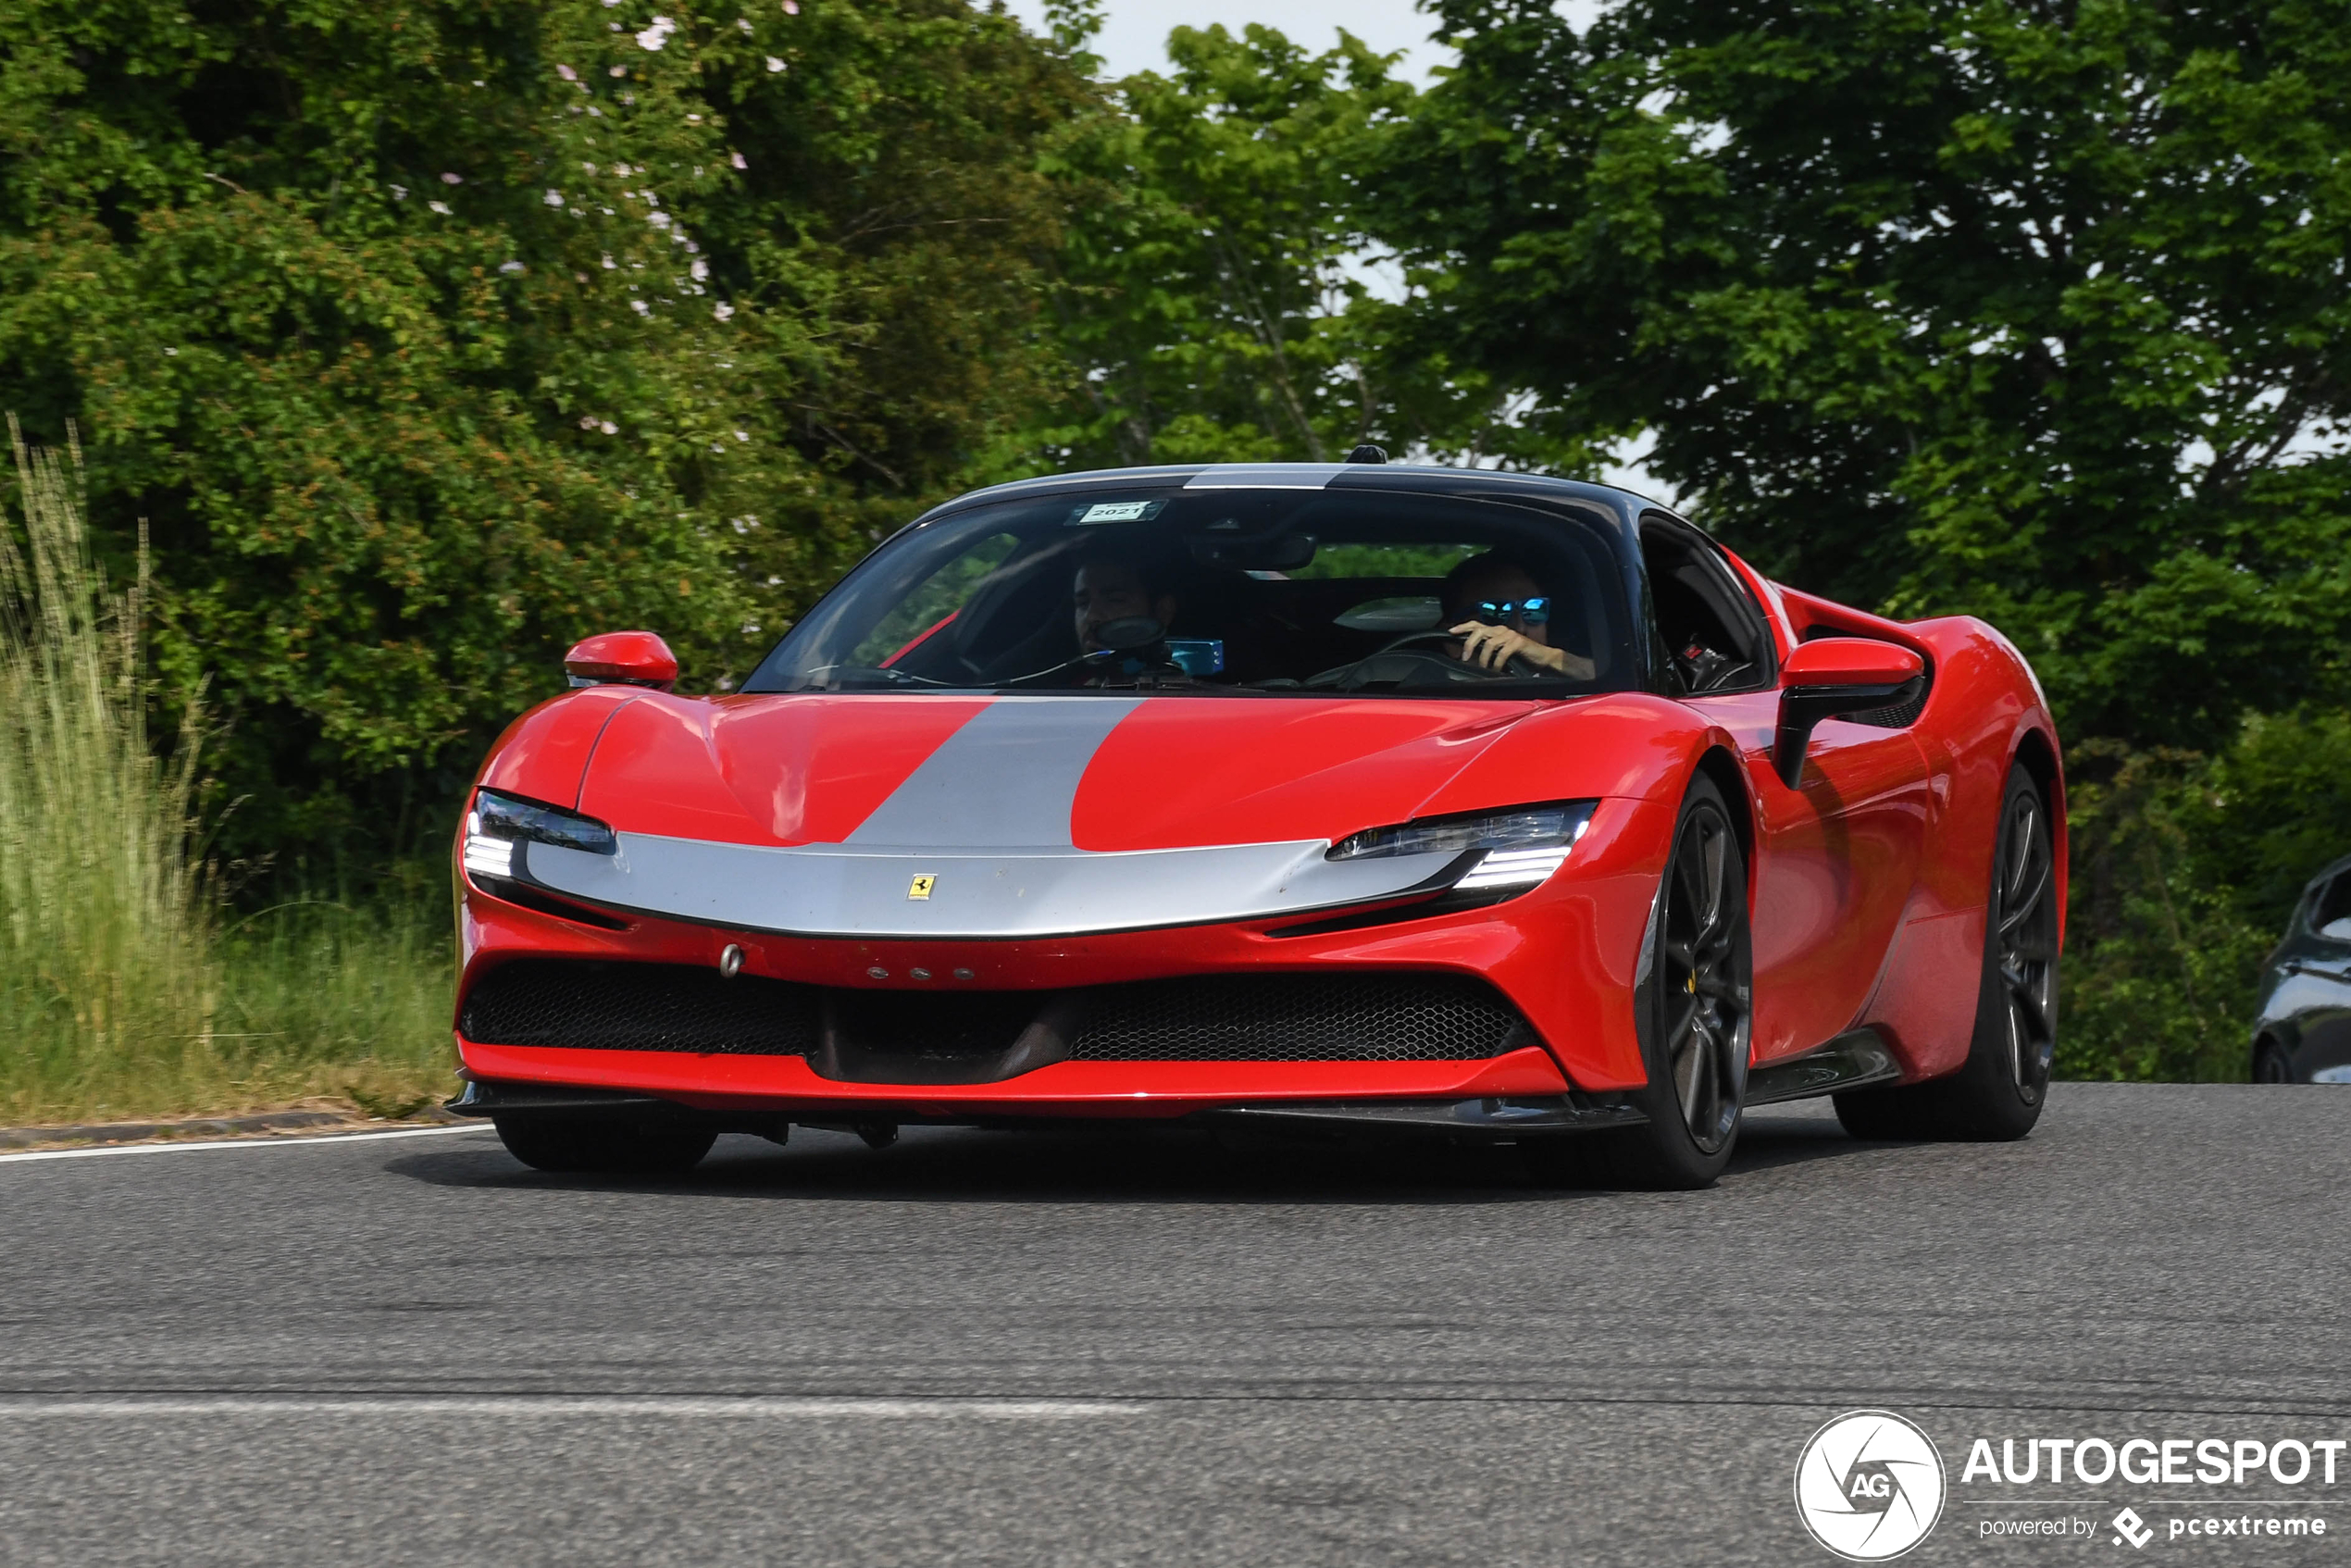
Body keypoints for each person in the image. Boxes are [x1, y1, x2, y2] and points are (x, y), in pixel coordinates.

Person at [1440, 554, 1596, 679]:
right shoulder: (1429, 688)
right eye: (1497, 612)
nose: (1520, 629)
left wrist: (1551, 657)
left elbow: (1610, 677)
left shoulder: (1566, 683)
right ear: (1452, 639)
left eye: (1534, 608)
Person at [1072, 554, 1180, 653]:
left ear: (1163, 611)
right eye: (1082, 603)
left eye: (1115, 600)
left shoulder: (1191, 670)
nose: (1091, 616)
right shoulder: (1063, 674)